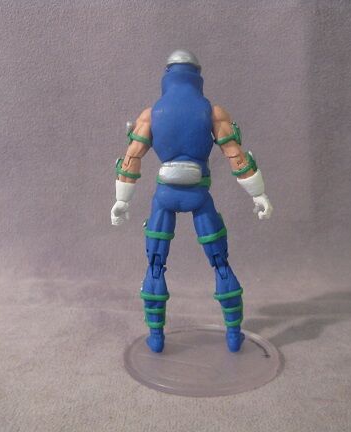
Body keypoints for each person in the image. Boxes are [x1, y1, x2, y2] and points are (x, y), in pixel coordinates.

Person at [111, 50, 272, 353]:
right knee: (220, 264)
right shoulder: (212, 112)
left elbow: (131, 159)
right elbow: (236, 157)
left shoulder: (151, 114)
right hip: (199, 194)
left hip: (165, 197)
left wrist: (122, 200)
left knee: (155, 265)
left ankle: (156, 337)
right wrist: (258, 194)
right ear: (197, 75)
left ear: (167, 75)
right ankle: (233, 334)